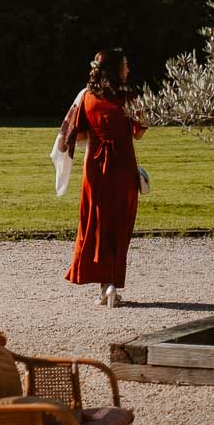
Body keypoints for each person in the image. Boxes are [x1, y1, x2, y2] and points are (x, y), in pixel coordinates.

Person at [60, 48, 147, 307]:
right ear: (115, 70)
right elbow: (139, 133)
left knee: (96, 225)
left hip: (95, 168)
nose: (128, 69)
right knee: (120, 226)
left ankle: (102, 286)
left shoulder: (86, 97)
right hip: (122, 166)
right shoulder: (130, 97)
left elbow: (78, 135)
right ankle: (112, 285)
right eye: (125, 65)